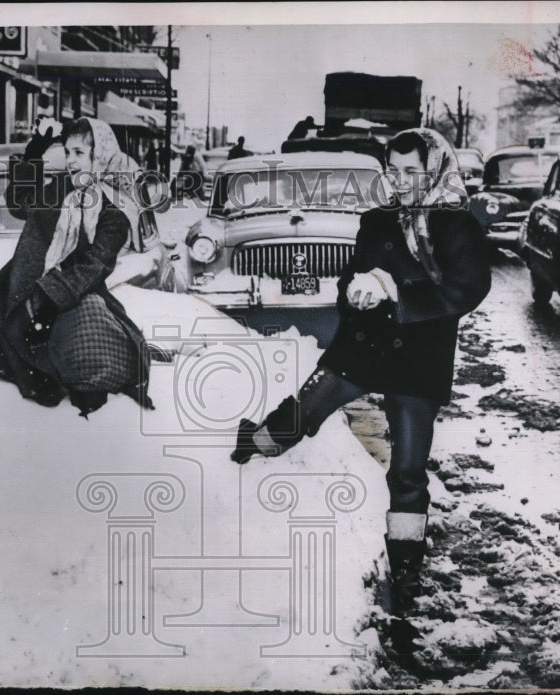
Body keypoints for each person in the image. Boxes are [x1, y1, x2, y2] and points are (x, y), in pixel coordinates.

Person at [230, 127, 491, 645]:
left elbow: (468, 287)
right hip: (366, 348)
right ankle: (249, 450)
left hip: (419, 357)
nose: (400, 181)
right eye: (392, 171)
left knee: (410, 469)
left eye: (410, 171)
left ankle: (406, 573)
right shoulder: (377, 219)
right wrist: (354, 288)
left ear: (434, 168)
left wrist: (397, 290)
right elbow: (354, 270)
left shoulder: (458, 224)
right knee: (307, 407)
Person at [0, 117, 153, 417]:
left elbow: (94, 264)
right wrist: (34, 154)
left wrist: (49, 301)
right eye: (67, 152)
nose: (70, 161)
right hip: (19, 286)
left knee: (91, 339)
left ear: (100, 156)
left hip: (71, 292)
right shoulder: (63, 186)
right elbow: (20, 204)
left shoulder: (116, 207)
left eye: (79, 153)